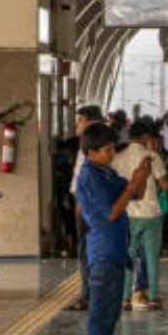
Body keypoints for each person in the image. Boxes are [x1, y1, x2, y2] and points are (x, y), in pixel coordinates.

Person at [75, 123, 152, 335]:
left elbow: (136, 194)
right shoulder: (89, 177)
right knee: (100, 316)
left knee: (110, 317)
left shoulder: (105, 172)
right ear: (91, 152)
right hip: (103, 253)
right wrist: (132, 183)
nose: (111, 153)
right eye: (106, 150)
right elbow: (110, 213)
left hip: (117, 252)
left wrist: (142, 176)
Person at [113, 119, 168, 310]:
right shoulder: (152, 156)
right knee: (152, 258)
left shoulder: (117, 157)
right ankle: (153, 298)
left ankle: (124, 299)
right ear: (146, 137)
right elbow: (165, 185)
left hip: (127, 214)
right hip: (151, 214)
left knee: (128, 257)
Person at [69, 105, 107, 311]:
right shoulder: (100, 139)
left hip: (88, 206)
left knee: (87, 251)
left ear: (88, 120)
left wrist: (81, 202)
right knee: (93, 250)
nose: (77, 125)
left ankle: (88, 295)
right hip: (93, 205)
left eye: (79, 121)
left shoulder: (92, 142)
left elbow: (87, 175)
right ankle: (92, 293)